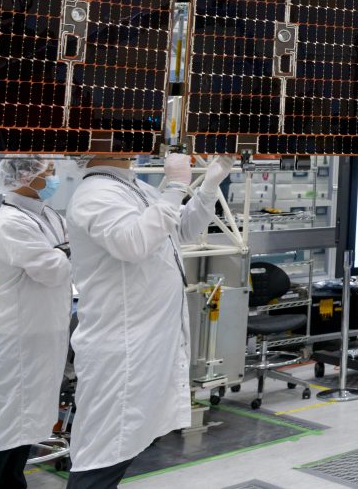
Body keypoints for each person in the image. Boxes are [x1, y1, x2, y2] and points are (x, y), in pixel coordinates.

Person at [66, 152, 233, 488]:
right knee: (101, 456)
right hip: (121, 348)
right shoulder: (96, 193)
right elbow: (134, 243)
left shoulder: (134, 187)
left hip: (148, 342)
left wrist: (209, 185)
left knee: (118, 451)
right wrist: (173, 187)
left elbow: (181, 229)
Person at [0, 157, 71, 489]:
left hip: (45, 332)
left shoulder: (48, 214)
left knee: (29, 422)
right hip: (15, 336)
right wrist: (69, 254)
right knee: (5, 424)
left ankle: (13, 483)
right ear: (25, 177)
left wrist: (66, 254)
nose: (53, 179)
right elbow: (53, 268)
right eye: (47, 173)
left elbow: (64, 258)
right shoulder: (10, 222)